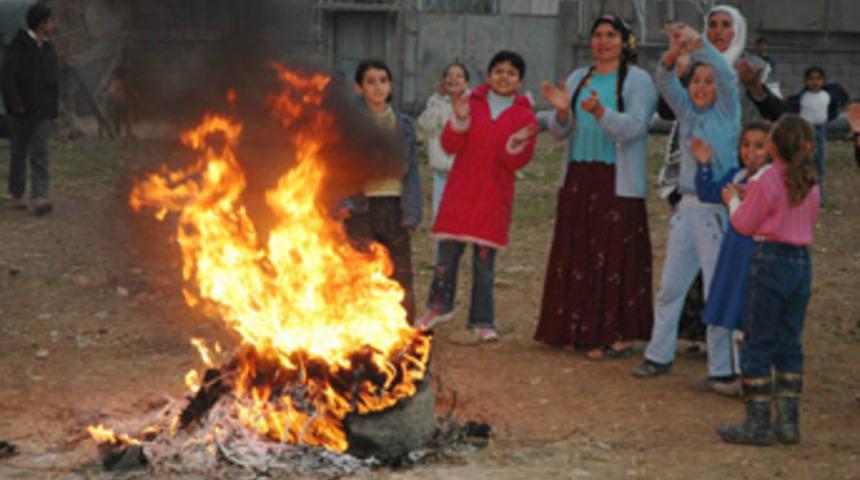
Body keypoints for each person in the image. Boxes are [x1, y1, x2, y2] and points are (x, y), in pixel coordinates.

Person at [533, 14, 657, 360]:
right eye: (598, 35)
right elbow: (562, 132)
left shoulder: (637, 80)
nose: (603, 42)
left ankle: (616, 334)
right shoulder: (577, 78)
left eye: (611, 35)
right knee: (578, 252)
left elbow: (633, 128)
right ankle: (575, 329)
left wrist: (602, 112)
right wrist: (559, 113)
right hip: (578, 176)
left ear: (624, 41)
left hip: (616, 180)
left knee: (614, 254)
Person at [632, 22, 740, 385]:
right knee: (670, 288)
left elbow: (725, 74)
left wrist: (701, 44)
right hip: (686, 210)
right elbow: (664, 80)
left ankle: (723, 369)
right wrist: (674, 53)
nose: (702, 87)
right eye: (696, 80)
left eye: (708, 82)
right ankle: (658, 354)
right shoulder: (688, 113)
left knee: (716, 292)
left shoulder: (727, 112)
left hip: (716, 213)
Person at [414, 50, 538, 344]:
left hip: (494, 196)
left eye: (511, 73)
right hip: (461, 190)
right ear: (488, 75)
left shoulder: (525, 116)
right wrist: (459, 119)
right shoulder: (470, 103)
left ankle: (482, 320)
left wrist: (518, 142)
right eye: (498, 71)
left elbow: (516, 163)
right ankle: (438, 307)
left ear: (520, 81)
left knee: (484, 263)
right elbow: (449, 144)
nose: (504, 77)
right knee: (446, 255)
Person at [717, 114, 820, 446]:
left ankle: (757, 424)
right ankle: (789, 423)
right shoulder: (809, 180)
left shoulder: (766, 179)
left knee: (758, 340)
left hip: (769, 261)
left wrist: (733, 200)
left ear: (774, 144)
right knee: (789, 341)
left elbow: (745, 224)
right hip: (800, 263)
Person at [691, 121, 771, 396]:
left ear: (771, 149)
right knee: (721, 307)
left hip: (755, 254)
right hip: (731, 254)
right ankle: (720, 371)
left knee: (745, 315)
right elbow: (708, 192)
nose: (751, 152)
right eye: (746, 145)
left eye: (759, 146)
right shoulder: (735, 176)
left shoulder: (772, 182)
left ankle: (747, 376)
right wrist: (703, 165)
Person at [345, 59, 422, 324]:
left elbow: (412, 171)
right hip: (360, 208)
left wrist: (411, 212)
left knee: (400, 275)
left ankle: (406, 337)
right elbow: (337, 166)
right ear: (360, 88)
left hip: (394, 206)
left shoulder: (403, 124)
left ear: (390, 85)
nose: (378, 87)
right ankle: (359, 337)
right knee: (359, 274)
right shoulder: (350, 124)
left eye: (383, 80)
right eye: (370, 81)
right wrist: (343, 203)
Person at [2, 4, 59, 215]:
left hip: (42, 111)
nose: (53, 25)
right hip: (21, 111)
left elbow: (52, 79)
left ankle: (40, 196)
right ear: (41, 23)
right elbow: (8, 77)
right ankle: (17, 195)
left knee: (40, 153)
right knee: (19, 152)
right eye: (50, 21)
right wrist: (15, 103)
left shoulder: (49, 48)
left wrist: (52, 107)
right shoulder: (18, 45)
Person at [415, 62, 470, 221]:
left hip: (465, 173)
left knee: (464, 220)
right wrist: (437, 99)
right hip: (441, 172)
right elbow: (425, 125)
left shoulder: (474, 104)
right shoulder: (438, 102)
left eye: (459, 76)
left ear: (466, 83)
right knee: (441, 219)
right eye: (449, 75)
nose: (453, 79)